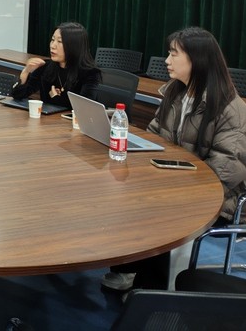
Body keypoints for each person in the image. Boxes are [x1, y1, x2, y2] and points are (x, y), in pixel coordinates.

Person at [102, 27, 246, 291]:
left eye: (173, 54)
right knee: (120, 191)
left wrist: (175, 188)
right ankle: (128, 267)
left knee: (158, 212)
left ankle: (151, 289)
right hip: (172, 180)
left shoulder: (230, 108)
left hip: (214, 196)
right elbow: (155, 136)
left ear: (197, 60)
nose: (167, 61)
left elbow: (226, 169)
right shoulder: (175, 93)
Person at [11, 22, 101, 108]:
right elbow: (17, 95)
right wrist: (26, 72)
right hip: (47, 119)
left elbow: (84, 108)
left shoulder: (90, 73)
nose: (53, 46)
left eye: (60, 41)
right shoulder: (45, 66)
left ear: (74, 46)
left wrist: (55, 97)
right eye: (53, 40)